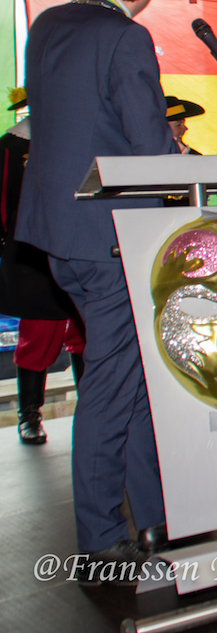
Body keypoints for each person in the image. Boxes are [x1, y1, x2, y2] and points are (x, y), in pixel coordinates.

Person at [17, 0, 179, 575]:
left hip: (60, 234)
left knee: (132, 374)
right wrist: (182, 162)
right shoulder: (125, 37)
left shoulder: (49, 24)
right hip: (112, 236)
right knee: (113, 383)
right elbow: (150, 147)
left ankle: (157, 512)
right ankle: (101, 533)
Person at [1, 87, 84, 445]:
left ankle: (91, 407)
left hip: (78, 246)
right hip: (33, 250)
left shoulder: (78, 138)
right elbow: (3, 201)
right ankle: (30, 413)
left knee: (84, 333)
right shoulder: (11, 146)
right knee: (39, 333)